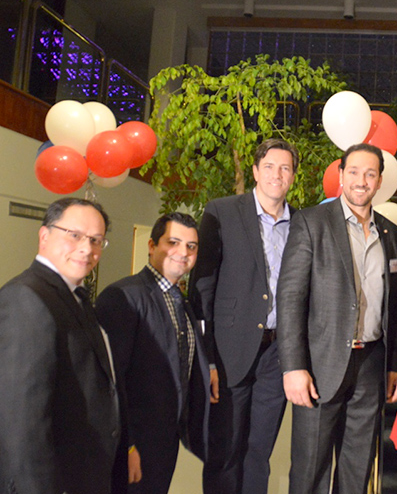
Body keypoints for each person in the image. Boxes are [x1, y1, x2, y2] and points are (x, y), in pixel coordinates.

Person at [277, 143, 397, 494]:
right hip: (320, 365)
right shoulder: (310, 222)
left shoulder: (391, 234)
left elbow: (395, 307)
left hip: (371, 365)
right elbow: (290, 299)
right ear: (340, 175)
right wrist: (293, 367)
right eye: (353, 172)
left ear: (380, 181)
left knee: (357, 466)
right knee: (310, 471)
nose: (361, 181)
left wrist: (395, 363)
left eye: (370, 173)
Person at [190, 138, 298, 493]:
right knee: (225, 450)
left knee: (258, 452)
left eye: (284, 168)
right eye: (269, 166)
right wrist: (206, 357)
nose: (276, 175)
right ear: (255, 171)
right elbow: (202, 286)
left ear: (293, 176)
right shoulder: (221, 211)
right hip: (229, 350)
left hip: (276, 354)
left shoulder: (301, 223)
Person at [0, 197, 120, 494]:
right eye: (74, 235)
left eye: (96, 240)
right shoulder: (26, 298)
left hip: (83, 472)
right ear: (44, 236)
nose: (86, 248)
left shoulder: (74, 295)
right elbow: (21, 419)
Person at [96, 212, 211, 493]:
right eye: (173, 242)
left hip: (164, 442)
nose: (182, 252)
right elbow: (109, 381)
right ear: (151, 245)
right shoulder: (123, 297)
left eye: (191, 246)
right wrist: (128, 445)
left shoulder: (181, 301)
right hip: (132, 445)